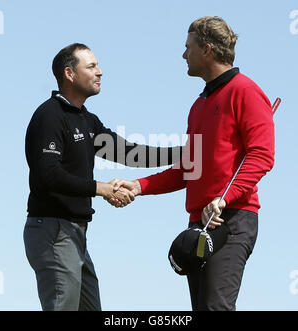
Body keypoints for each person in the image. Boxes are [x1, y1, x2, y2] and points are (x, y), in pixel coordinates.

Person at [109, 16, 275, 311]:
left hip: (232, 219)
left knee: (216, 308)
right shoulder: (198, 105)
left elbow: (262, 155)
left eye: (188, 48)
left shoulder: (246, 91)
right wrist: (139, 185)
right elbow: (190, 167)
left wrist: (224, 199)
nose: (184, 55)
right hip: (200, 223)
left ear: (207, 50)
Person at [23, 43, 182, 311]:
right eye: (92, 66)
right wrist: (102, 189)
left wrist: (186, 153)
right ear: (69, 74)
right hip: (53, 232)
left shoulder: (87, 120)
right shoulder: (49, 116)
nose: (100, 72)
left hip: (76, 235)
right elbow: (47, 175)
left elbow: (129, 153)